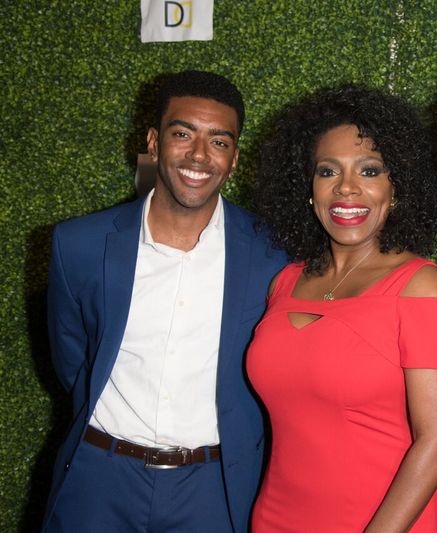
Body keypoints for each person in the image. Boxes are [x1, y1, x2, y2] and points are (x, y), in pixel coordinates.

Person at [43, 70, 287, 532]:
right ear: (154, 143)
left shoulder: (273, 256)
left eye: (219, 141)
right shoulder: (78, 244)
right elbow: (74, 361)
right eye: (182, 134)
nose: (199, 155)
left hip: (214, 489)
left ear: (233, 159)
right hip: (100, 478)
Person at [248, 85, 437, 532]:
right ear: (308, 189)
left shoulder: (421, 287)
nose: (346, 188)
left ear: (397, 188)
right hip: (275, 519)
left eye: (369, 170)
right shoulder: (285, 282)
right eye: (328, 172)